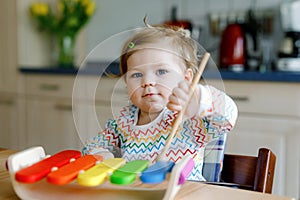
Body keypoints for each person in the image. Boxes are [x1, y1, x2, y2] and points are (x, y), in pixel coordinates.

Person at [82, 22, 238, 181]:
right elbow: (92, 145)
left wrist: (198, 100)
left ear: (186, 78)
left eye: (161, 71)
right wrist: (102, 154)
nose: (147, 82)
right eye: (136, 75)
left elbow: (228, 116)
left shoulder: (189, 120)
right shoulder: (124, 122)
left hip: (183, 194)